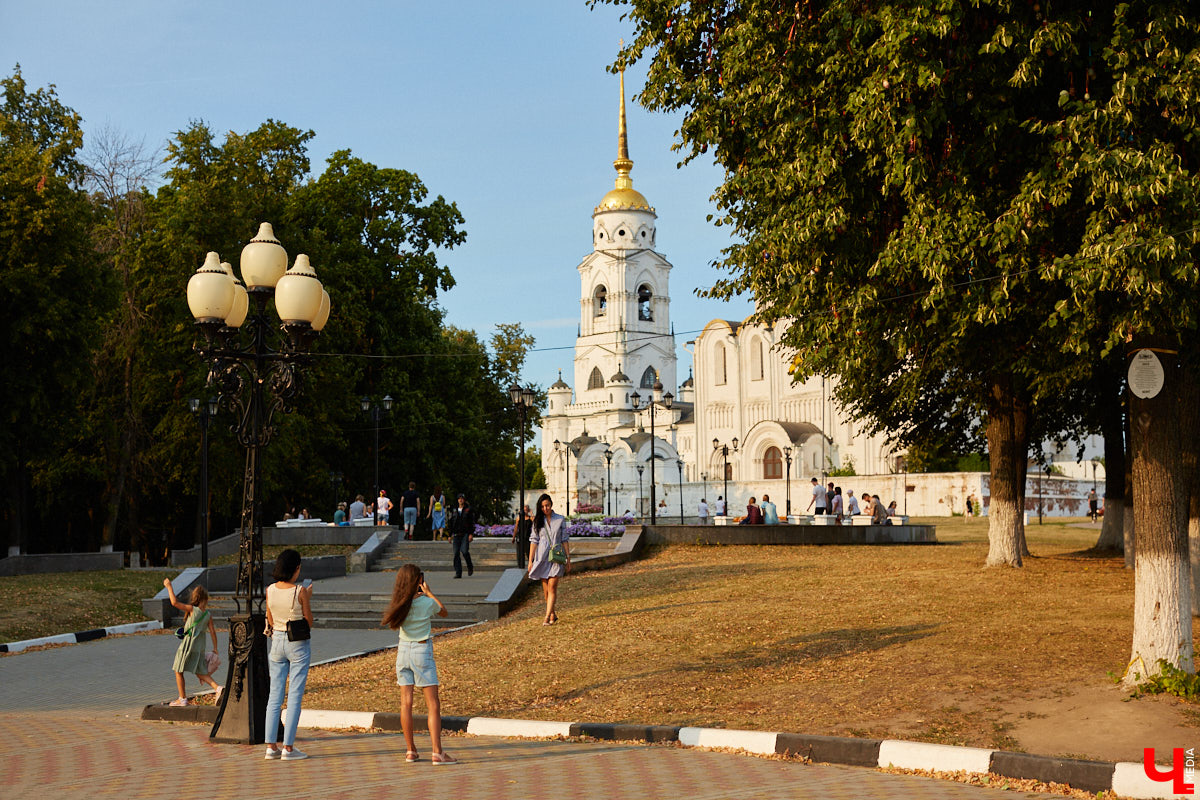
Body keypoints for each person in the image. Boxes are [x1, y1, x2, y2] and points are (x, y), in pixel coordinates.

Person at [382, 564, 456, 765]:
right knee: (432, 703)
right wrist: (429, 593)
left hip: (403, 651)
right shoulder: (426, 602)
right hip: (421, 651)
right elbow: (443, 612)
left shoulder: (399, 604)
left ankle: (410, 750)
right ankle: (437, 752)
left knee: (406, 703)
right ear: (418, 582)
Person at [263, 548, 313, 760]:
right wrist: (307, 597)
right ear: (296, 568)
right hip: (297, 644)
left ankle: (270, 746)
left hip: (277, 642)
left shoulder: (270, 590)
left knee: (274, 695)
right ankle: (288, 748)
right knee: (294, 695)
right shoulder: (300, 591)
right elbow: (308, 621)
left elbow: (270, 619)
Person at [163, 578, 221, 706]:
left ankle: (182, 699)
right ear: (205, 599)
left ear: (195, 598)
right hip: (199, 648)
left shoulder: (192, 610)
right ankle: (218, 688)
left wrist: (169, 587)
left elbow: (174, 602)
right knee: (200, 672)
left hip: (187, 646)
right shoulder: (208, 615)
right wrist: (215, 648)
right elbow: (212, 632)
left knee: (178, 670)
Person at [528, 493, 570, 625]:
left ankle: (546, 617)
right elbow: (533, 541)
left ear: (551, 504)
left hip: (556, 556)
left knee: (552, 587)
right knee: (546, 591)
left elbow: (564, 539)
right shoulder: (537, 521)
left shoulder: (560, 519)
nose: (545, 508)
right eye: (542, 506)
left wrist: (568, 558)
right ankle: (552, 614)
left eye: (547, 505)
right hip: (541, 557)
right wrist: (530, 560)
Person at [447, 494, 475, 578]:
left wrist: (471, 534)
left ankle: (470, 566)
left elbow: (471, 522)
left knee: (464, 551)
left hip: (465, 534)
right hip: (456, 535)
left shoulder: (468, 509)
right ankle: (458, 572)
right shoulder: (454, 510)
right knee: (456, 553)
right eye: (459, 498)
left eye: (462, 498)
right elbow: (451, 523)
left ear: (464, 500)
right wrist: (449, 535)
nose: (460, 500)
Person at [512, 504, 532, 569]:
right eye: (524, 510)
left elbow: (535, 522)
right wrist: (513, 537)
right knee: (520, 553)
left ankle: (531, 565)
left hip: (527, 537)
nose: (525, 511)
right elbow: (516, 528)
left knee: (529, 552)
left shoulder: (530, 518)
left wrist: (531, 513)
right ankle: (520, 566)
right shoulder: (519, 518)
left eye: (526, 510)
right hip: (520, 538)